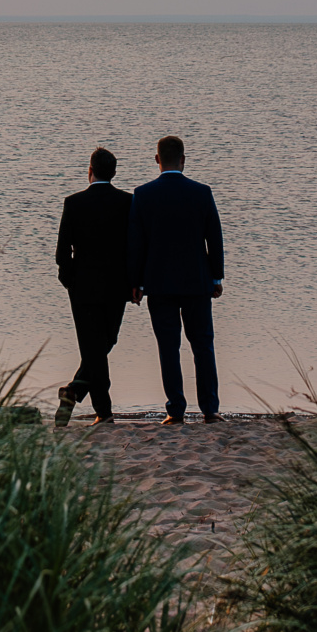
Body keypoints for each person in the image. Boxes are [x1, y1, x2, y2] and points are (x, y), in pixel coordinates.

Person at [126, 134, 225, 422]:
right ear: (183, 159)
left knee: (169, 346)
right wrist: (216, 277)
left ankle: (176, 409)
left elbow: (136, 243)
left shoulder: (143, 194)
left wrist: (137, 283)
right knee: (202, 344)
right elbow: (214, 238)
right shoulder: (202, 192)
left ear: (157, 159)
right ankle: (210, 409)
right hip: (197, 282)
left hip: (159, 284)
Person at [52, 146, 133, 426]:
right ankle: (102, 410)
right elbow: (133, 248)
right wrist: (135, 282)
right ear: (114, 172)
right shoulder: (128, 202)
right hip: (117, 287)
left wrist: (69, 280)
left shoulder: (73, 203)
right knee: (104, 343)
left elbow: (62, 253)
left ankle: (76, 393)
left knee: (94, 348)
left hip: (82, 289)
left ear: (90, 171)